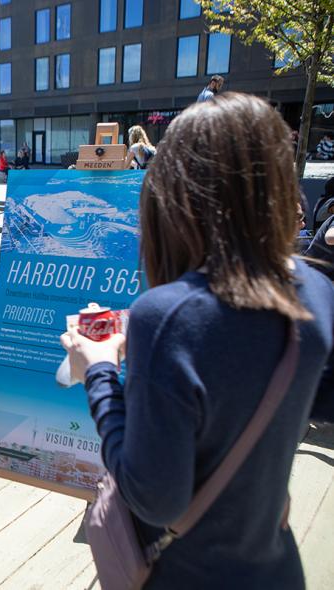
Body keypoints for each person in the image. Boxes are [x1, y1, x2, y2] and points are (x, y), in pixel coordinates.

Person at [62, 92, 334, 588]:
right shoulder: (315, 288)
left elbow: (155, 497)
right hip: (274, 564)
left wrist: (99, 368)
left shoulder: (165, 317)